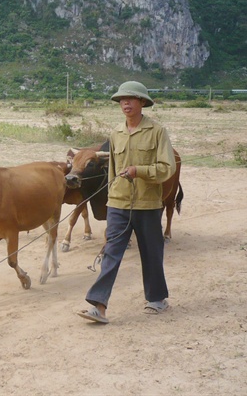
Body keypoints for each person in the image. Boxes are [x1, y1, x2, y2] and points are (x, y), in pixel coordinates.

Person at [78, 81, 176, 324]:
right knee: (111, 252)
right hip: (119, 205)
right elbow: (112, 172)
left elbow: (167, 168)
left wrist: (139, 170)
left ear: (142, 102)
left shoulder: (157, 132)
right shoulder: (116, 134)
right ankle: (98, 307)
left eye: (131, 99)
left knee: (151, 253)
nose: (125, 103)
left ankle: (157, 299)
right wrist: (110, 202)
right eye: (121, 99)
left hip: (148, 205)